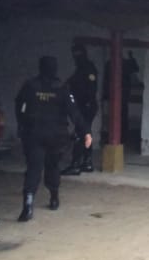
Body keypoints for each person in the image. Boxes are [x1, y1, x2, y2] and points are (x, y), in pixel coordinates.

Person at [15, 56, 92, 222]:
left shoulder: (30, 86)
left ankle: (28, 205)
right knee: (53, 166)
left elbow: (19, 105)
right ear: (55, 69)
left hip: (34, 134)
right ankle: (54, 197)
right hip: (56, 135)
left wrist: (22, 124)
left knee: (33, 168)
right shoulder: (62, 88)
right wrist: (86, 131)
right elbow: (74, 112)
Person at [62, 44, 99, 176]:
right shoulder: (81, 68)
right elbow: (71, 82)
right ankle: (87, 162)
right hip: (84, 105)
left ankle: (76, 165)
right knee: (85, 133)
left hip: (86, 106)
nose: (76, 57)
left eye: (77, 54)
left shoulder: (88, 68)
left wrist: (85, 103)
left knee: (80, 133)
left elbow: (91, 89)